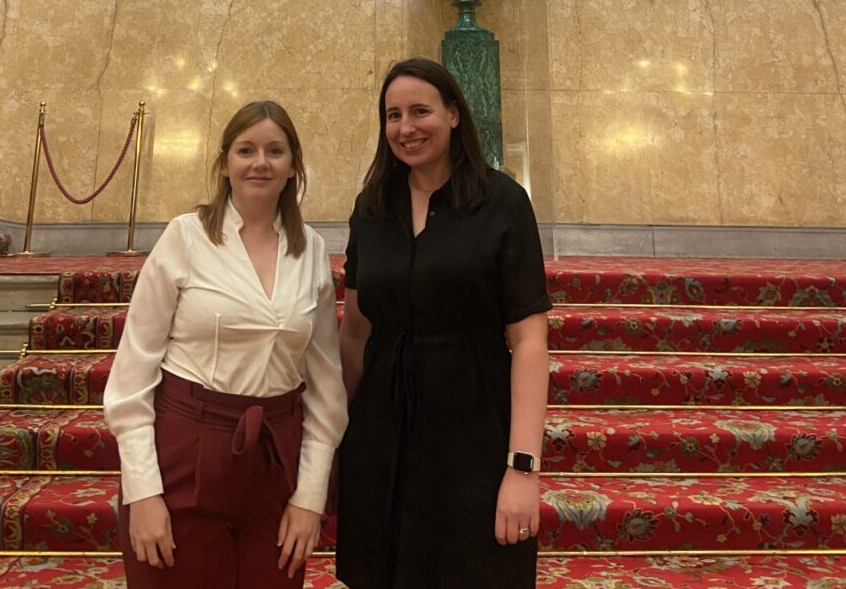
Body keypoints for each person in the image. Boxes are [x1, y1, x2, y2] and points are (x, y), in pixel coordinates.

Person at [104, 100, 348, 588]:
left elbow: (326, 389)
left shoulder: (311, 251)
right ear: (224, 164)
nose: (260, 162)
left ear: (294, 166)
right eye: (246, 150)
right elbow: (131, 376)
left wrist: (309, 496)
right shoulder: (185, 238)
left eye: (275, 151)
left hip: (274, 460)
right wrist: (143, 492)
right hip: (186, 452)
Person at [336, 58, 550, 588]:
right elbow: (356, 333)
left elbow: (528, 342)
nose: (406, 127)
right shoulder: (372, 207)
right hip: (381, 430)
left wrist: (522, 467)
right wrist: (335, 442)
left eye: (420, 111)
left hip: (472, 429)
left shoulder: (503, 203)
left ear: (454, 114)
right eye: (393, 115)